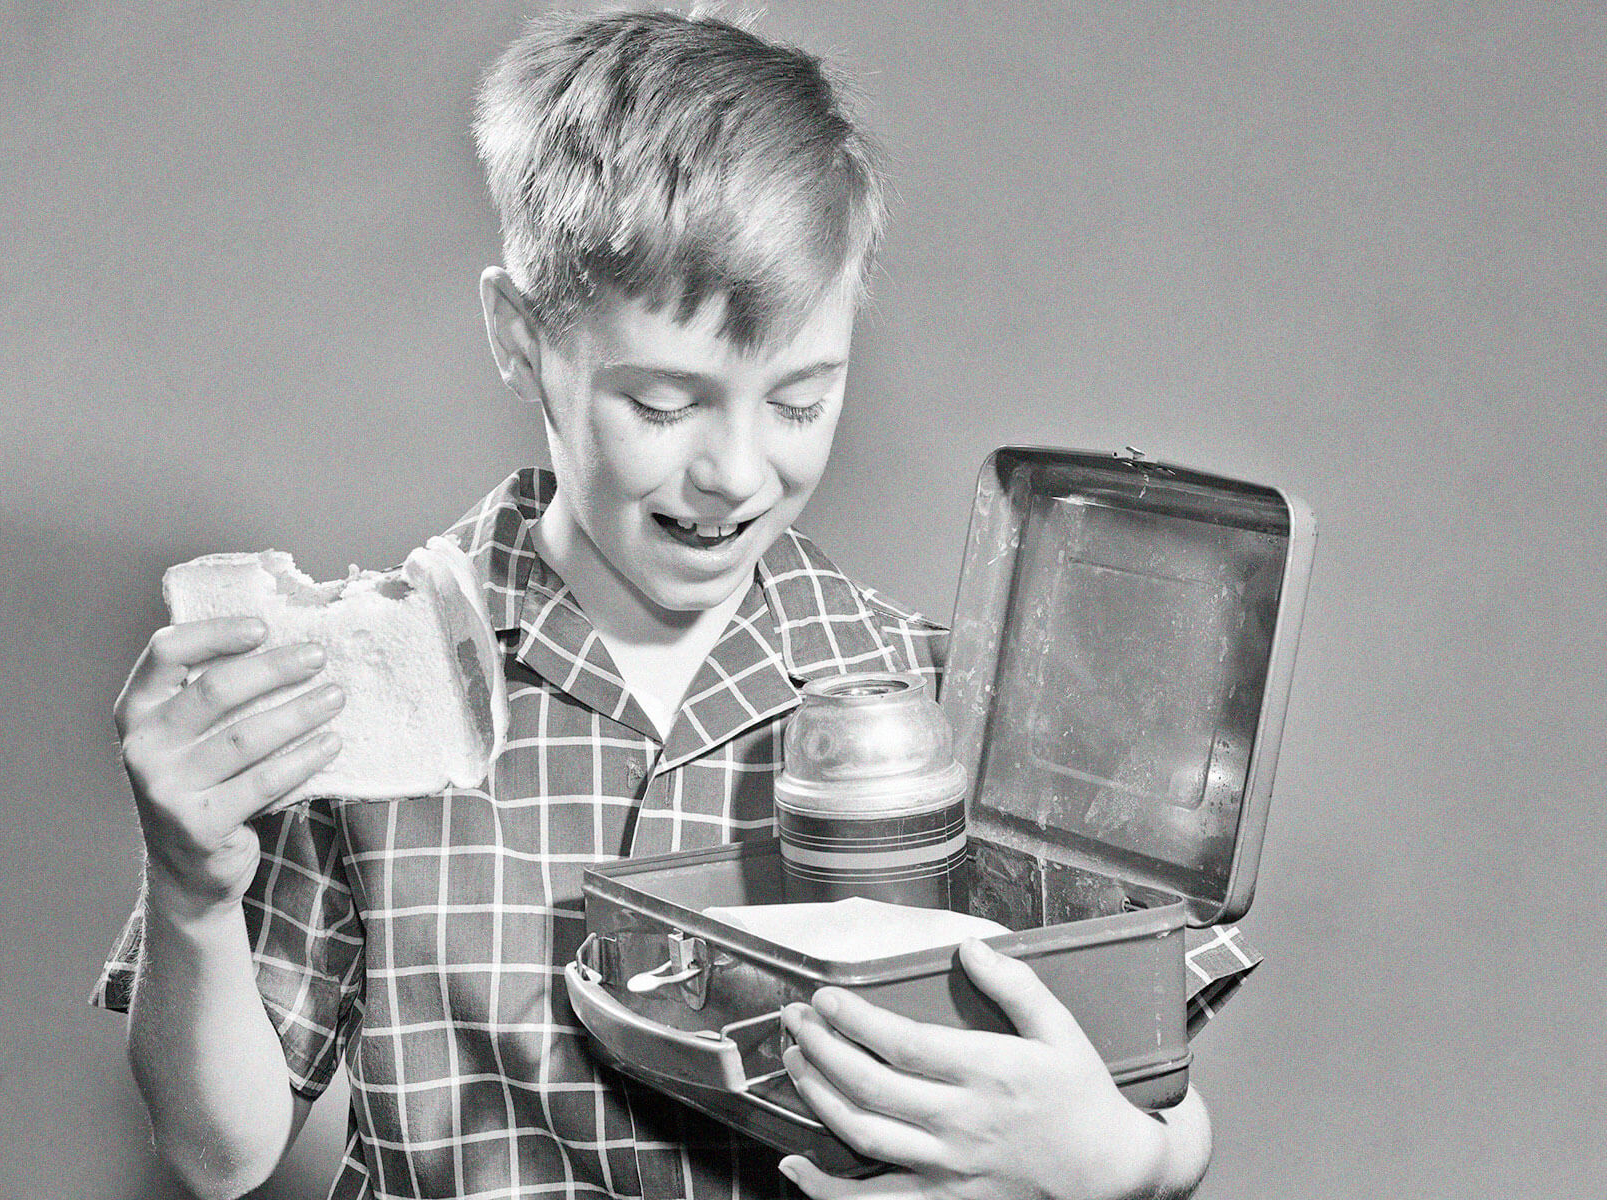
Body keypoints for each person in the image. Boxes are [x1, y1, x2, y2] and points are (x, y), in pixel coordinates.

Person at [94, 10, 1247, 1199]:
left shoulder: (945, 707)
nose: (737, 473)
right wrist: (191, 889)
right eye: (664, 406)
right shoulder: (368, 696)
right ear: (522, 341)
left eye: (799, 401)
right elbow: (219, 1153)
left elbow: (1160, 1110)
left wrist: (1110, 1162)